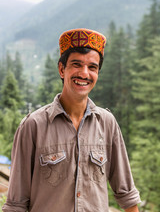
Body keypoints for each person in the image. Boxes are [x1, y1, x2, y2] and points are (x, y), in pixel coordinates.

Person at [3, 28, 141, 212]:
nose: (84, 74)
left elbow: (127, 195)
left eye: (92, 67)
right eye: (77, 64)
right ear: (62, 69)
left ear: (98, 73)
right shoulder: (33, 126)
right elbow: (16, 204)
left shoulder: (107, 123)